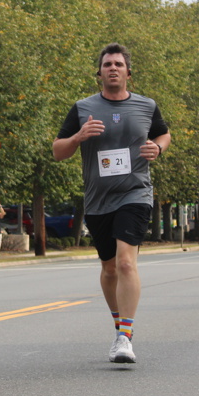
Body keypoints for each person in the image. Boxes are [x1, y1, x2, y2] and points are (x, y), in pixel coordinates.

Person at [52, 42, 171, 364]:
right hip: (98, 200)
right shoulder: (83, 108)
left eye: (118, 64)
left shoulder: (147, 105)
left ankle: (125, 337)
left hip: (135, 192)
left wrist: (158, 148)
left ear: (128, 72)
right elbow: (58, 151)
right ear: (99, 73)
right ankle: (120, 326)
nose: (113, 69)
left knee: (125, 263)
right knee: (108, 268)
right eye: (107, 65)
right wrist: (78, 137)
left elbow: (164, 134)